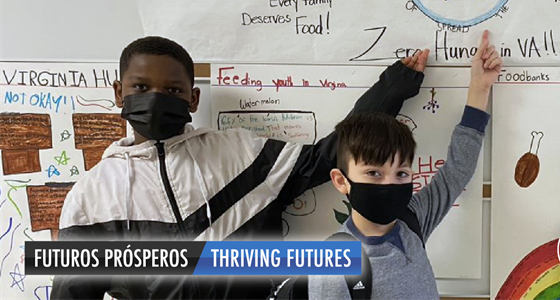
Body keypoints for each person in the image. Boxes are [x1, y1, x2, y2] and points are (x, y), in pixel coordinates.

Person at [51, 36, 429, 300]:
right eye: (140, 87)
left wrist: (392, 89)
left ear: (193, 98)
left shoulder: (239, 154)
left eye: (172, 91)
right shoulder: (91, 195)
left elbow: (327, 157)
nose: (155, 99)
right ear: (119, 92)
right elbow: (73, 291)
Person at [302, 30, 501, 299]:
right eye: (374, 173)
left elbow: (457, 171)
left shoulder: (411, 219)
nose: (389, 184)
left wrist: (480, 88)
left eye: (401, 173)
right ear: (341, 180)